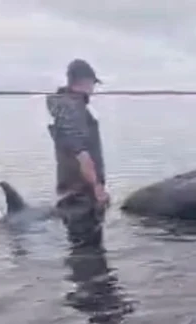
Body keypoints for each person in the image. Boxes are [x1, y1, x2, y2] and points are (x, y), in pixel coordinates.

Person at [46, 58, 110, 246]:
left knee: (81, 256)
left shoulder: (66, 108)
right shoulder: (73, 110)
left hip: (73, 196)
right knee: (89, 258)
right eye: (93, 84)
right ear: (86, 81)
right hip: (81, 199)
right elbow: (82, 155)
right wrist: (98, 189)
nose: (93, 89)